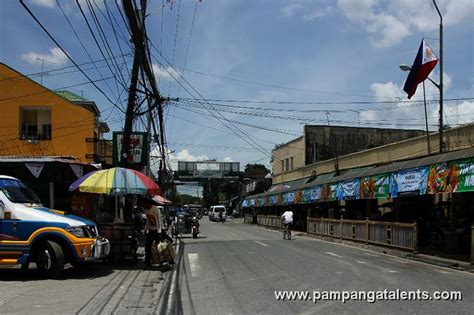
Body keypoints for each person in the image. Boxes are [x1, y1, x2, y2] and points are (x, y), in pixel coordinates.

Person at [138, 196, 162, 268]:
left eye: (143, 204)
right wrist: (145, 229)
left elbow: (158, 221)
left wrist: (159, 232)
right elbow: (148, 220)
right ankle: (148, 262)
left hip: (158, 230)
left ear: (147, 203)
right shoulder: (146, 210)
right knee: (147, 246)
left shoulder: (155, 209)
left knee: (161, 246)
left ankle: (165, 260)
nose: (143, 206)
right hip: (151, 230)